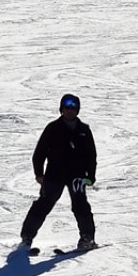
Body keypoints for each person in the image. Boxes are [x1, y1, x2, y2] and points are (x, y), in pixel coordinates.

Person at [18, 94, 97, 252]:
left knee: (81, 206)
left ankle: (87, 238)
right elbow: (40, 152)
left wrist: (90, 176)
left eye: (73, 107)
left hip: (77, 176)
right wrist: (39, 173)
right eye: (67, 107)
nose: (70, 110)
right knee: (43, 204)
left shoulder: (84, 130)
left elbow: (91, 154)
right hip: (55, 174)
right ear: (62, 109)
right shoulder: (53, 128)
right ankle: (27, 238)